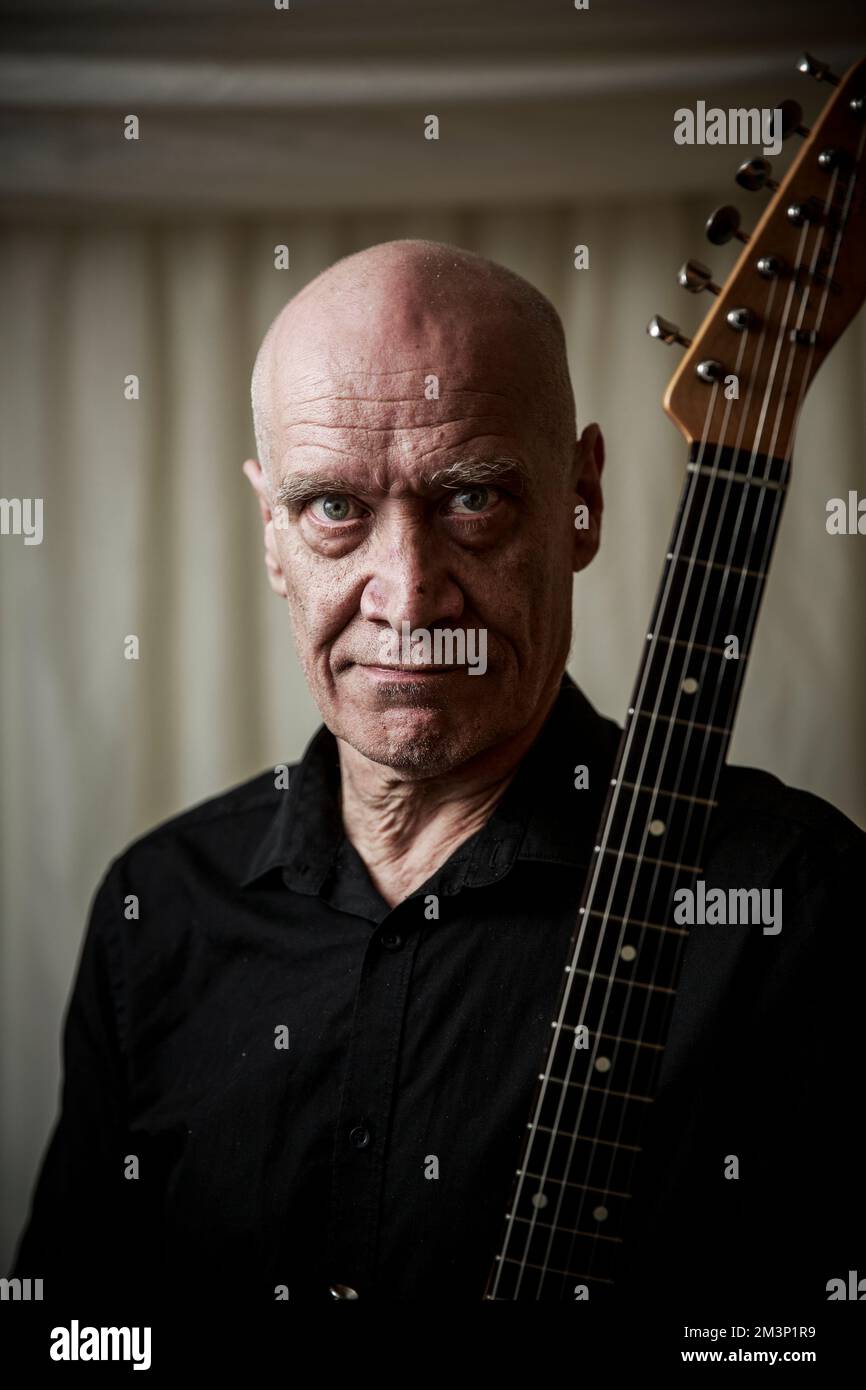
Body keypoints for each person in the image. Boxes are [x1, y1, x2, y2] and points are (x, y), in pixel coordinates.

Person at [11, 240, 864, 1311]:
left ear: (580, 499)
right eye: (333, 509)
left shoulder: (797, 903)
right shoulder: (159, 909)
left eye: (471, 498)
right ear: (270, 531)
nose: (407, 598)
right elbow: (72, 1335)